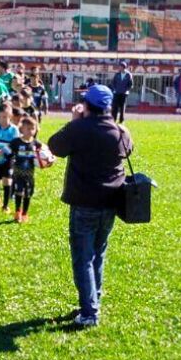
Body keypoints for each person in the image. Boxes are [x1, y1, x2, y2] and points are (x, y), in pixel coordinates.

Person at [48, 83, 132, 328]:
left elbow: (55, 146)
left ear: (87, 105)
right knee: (98, 252)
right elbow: (128, 150)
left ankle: (89, 312)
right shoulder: (120, 130)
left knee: (83, 257)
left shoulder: (79, 128)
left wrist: (74, 121)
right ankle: (93, 299)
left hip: (84, 202)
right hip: (112, 202)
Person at [8, 114, 43, 223]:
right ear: (22, 129)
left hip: (30, 174)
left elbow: (45, 152)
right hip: (18, 173)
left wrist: (50, 159)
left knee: (28, 193)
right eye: (27, 128)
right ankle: (18, 211)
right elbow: (6, 150)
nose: (30, 131)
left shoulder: (36, 143)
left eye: (32, 128)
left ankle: (25, 213)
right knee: (19, 192)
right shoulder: (16, 142)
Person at [0, 100, 19, 212]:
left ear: (10, 116)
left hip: (9, 157)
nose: (3, 119)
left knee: (7, 180)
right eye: (0, 117)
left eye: (5, 117)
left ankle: (5, 206)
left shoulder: (14, 129)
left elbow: (14, 145)